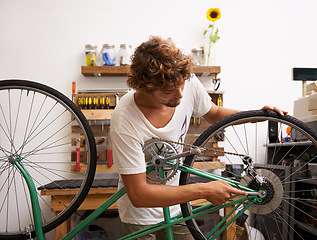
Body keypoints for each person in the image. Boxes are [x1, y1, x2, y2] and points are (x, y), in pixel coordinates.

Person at [110, 36, 287, 239]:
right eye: (169, 91)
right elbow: (139, 194)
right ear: (145, 87)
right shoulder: (125, 118)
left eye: (182, 86)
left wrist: (254, 116)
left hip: (177, 210)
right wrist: (203, 190)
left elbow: (213, 113)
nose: (180, 95)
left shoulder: (185, 81)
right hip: (139, 219)